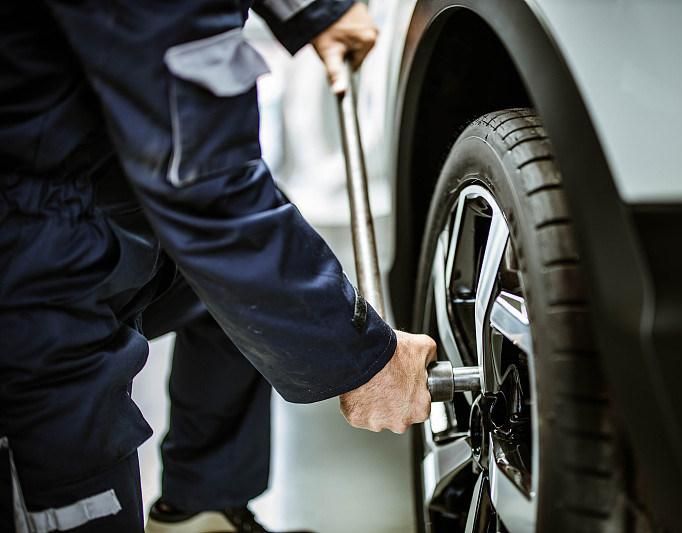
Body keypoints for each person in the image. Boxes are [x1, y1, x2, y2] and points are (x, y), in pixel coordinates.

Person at [0, 1, 435, 532]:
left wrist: (316, 9)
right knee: (69, 466)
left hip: (77, 197)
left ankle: (201, 507)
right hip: (26, 266)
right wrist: (366, 359)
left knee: (240, 301)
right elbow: (209, 193)